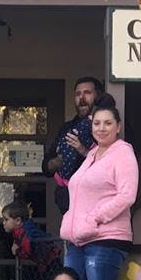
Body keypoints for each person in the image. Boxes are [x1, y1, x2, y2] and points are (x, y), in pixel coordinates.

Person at [59, 94, 138, 280]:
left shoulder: (122, 152)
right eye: (97, 123)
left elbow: (127, 195)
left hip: (106, 238)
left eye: (108, 123)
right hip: (78, 240)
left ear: (118, 127)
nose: (101, 128)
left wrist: (93, 218)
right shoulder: (92, 154)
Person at [42, 76, 104, 214]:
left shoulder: (105, 128)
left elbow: (109, 164)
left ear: (98, 96)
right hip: (68, 204)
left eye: (87, 93)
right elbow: (46, 166)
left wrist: (83, 150)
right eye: (78, 94)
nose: (82, 98)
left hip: (96, 205)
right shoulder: (66, 128)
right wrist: (57, 162)